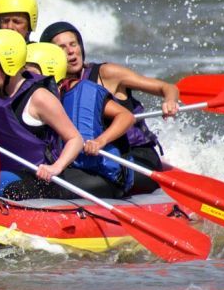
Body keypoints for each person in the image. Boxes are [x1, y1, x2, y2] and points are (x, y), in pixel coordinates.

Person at [0, 29, 124, 200]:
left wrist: (56, 167)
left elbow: (75, 139)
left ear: (8, 62)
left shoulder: (39, 98)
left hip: (39, 177)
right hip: (4, 170)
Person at [40, 21, 176, 192]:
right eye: (62, 47)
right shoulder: (54, 88)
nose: (70, 51)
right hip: (97, 158)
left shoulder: (106, 74)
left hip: (134, 155)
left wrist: (170, 100)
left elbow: (167, 88)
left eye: (73, 44)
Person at [26, 42, 137, 196]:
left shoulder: (84, 92)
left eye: (30, 73)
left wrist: (100, 141)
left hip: (101, 174)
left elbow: (127, 116)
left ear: (48, 70)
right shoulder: (33, 98)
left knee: (39, 187)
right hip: (69, 168)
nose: (25, 78)